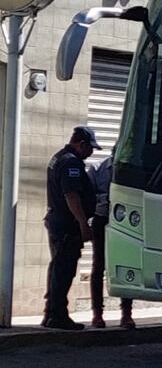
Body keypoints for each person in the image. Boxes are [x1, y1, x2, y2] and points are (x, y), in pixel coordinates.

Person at [43, 127, 100, 330]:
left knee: (58, 268)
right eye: (90, 148)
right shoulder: (70, 163)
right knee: (64, 270)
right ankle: (58, 315)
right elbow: (72, 195)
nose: (91, 153)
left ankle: (51, 313)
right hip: (67, 225)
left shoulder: (59, 157)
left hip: (58, 222)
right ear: (81, 144)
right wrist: (83, 223)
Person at [88, 146, 135, 329]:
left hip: (125, 222)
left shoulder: (131, 170)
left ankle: (126, 314)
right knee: (98, 266)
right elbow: (87, 196)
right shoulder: (97, 169)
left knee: (126, 265)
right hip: (102, 220)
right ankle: (97, 314)